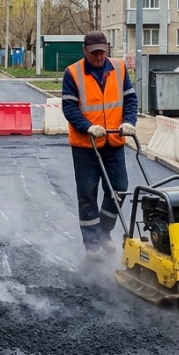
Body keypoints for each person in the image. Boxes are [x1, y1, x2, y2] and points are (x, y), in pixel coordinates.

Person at [61, 31, 138, 260]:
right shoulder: (73, 73)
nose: (98, 56)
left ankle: (104, 233)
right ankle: (92, 243)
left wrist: (128, 122)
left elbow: (130, 100)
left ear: (108, 49)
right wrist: (87, 127)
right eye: (94, 52)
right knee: (87, 193)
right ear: (85, 50)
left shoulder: (119, 69)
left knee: (120, 189)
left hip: (113, 141)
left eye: (102, 51)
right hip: (86, 145)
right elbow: (70, 108)